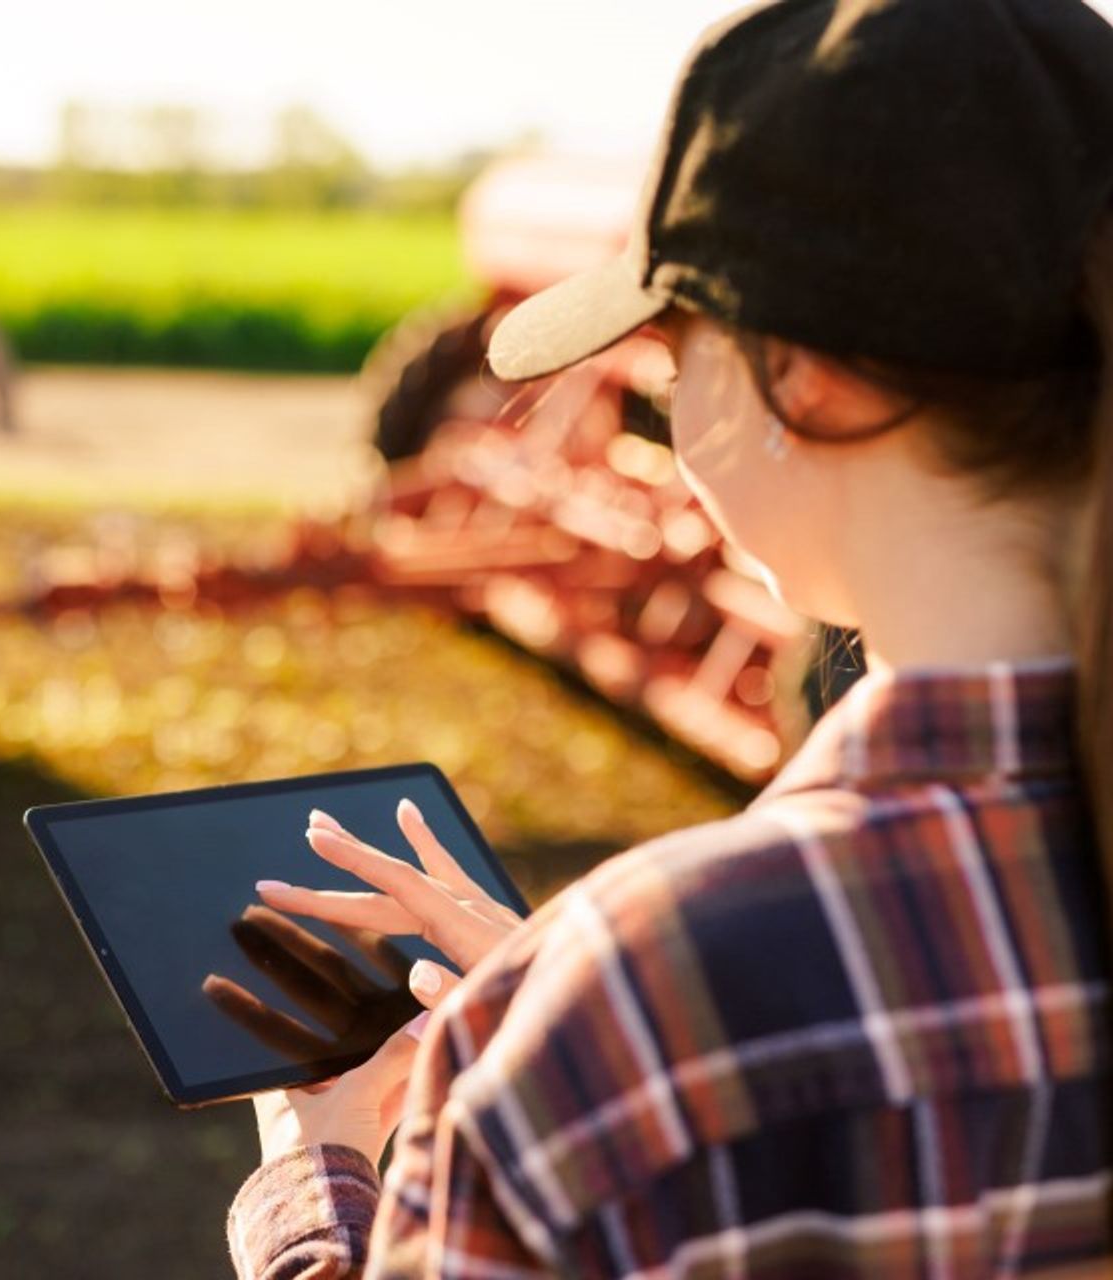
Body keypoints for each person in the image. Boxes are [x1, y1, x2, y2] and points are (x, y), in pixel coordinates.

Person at [225, 0, 1113, 1274]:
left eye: (671, 342)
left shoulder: (633, 1017)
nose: (662, 396)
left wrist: (320, 1176)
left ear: (799, 379)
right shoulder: (622, 1001)